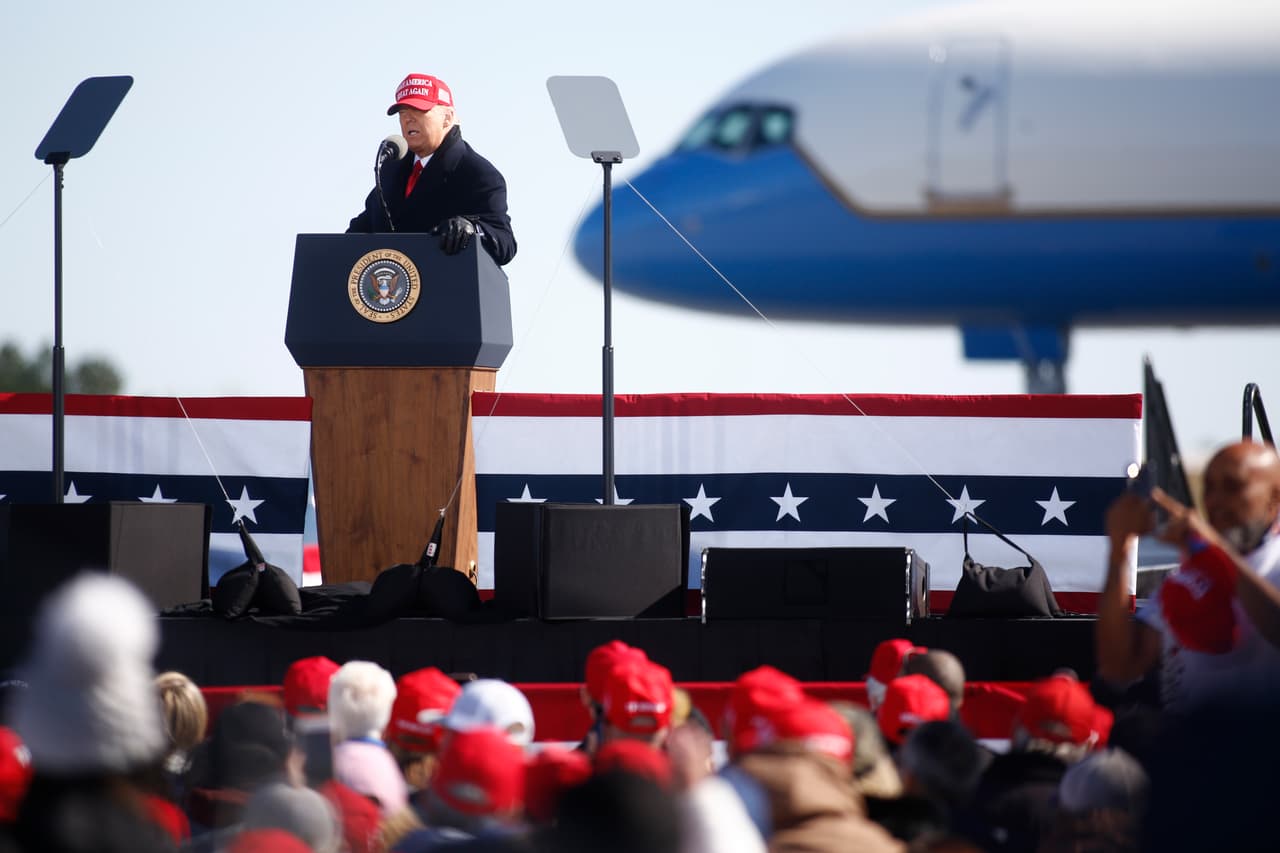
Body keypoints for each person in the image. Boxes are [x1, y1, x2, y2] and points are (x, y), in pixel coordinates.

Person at [1096, 440, 1280, 710]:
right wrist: (1119, 550)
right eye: (1209, 487)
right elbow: (1120, 665)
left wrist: (1212, 550)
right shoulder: (1188, 576)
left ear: (1274, 499)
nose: (1215, 500)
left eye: (1232, 487)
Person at [348, 73, 517, 266]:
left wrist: (473, 229)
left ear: (447, 118)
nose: (408, 120)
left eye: (419, 110)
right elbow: (363, 226)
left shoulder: (478, 174)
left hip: (446, 290)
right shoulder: (390, 169)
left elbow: (505, 242)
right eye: (402, 112)